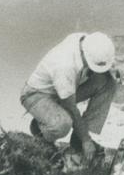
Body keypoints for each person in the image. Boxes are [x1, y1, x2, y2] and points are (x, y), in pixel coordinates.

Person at [21, 32, 119, 164]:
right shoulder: (64, 66)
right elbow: (71, 107)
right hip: (37, 95)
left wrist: (110, 70)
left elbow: (100, 59)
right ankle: (40, 131)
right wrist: (86, 139)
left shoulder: (85, 41)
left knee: (108, 82)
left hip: (63, 88)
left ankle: (76, 140)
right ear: (86, 55)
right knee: (63, 124)